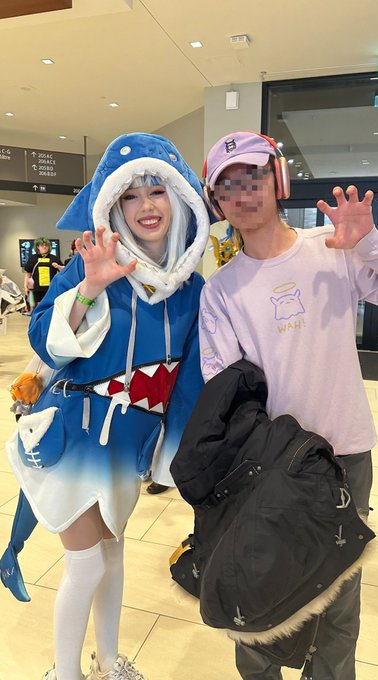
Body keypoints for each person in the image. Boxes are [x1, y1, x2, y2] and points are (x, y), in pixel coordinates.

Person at [199, 131, 378, 680]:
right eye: (228, 186)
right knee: (257, 590)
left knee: (339, 601)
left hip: (345, 455)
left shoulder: (332, 250)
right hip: (267, 469)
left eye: (253, 177)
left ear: (277, 181)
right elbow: (226, 391)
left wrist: (370, 241)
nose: (243, 193)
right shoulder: (222, 291)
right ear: (216, 203)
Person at [3, 132, 210, 680]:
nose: (146, 206)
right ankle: (66, 673)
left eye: (156, 191)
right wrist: (89, 288)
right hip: (74, 435)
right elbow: (45, 341)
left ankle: (109, 661)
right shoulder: (93, 263)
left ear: (177, 198)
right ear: (113, 206)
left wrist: (170, 455)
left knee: (112, 555)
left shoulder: (191, 289)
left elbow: (187, 381)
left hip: (128, 444)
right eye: (130, 195)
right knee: (87, 561)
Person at [24, 237, 64, 309]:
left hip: (51, 288)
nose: (45, 247)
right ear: (37, 247)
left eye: (46, 245)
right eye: (42, 245)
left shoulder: (54, 258)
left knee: (51, 307)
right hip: (37, 289)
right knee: (38, 308)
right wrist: (25, 287)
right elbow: (28, 275)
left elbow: (63, 271)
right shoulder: (33, 259)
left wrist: (58, 266)